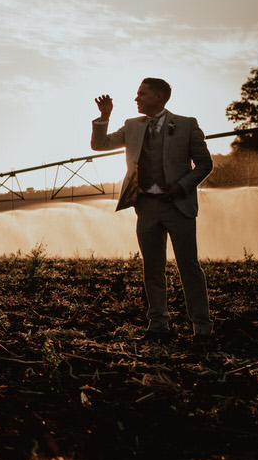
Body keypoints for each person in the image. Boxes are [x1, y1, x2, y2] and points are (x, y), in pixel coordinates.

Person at [91, 78, 213, 344]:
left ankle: (202, 328)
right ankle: (158, 324)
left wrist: (181, 187)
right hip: (145, 206)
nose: (137, 98)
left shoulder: (186, 125)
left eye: (142, 94)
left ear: (159, 96)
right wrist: (105, 116)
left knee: (189, 266)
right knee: (152, 267)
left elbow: (205, 164)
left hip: (178, 206)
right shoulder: (131, 126)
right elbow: (99, 146)